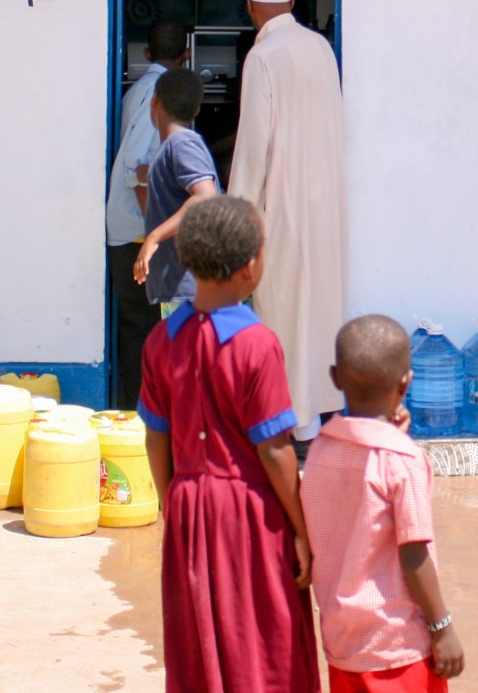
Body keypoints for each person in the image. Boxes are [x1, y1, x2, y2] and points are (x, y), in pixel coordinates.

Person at [139, 194, 318, 693]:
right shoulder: (258, 344)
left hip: (189, 505)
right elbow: (275, 448)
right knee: (265, 636)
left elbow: (156, 434)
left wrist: (171, 499)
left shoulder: (161, 340)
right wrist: (303, 530)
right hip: (250, 511)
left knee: (199, 637)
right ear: (251, 265)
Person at [302, 315, 466, 692]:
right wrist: (442, 627)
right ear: (406, 383)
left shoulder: (319, 451)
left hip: (343, 644)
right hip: (400, 648)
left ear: (335, 378)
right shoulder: (403, 460)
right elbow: (414, 555)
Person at [229, 0, 347, 442]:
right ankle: (315, 417)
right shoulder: (321, 48)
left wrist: (237, 215)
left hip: (281, 204)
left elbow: (254, 145)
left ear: (251, 7)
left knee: (281, 310)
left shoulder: (262, 56)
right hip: (325, 204)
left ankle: (289, 422)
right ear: (293, 2)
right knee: (317, 308)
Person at [107, 21, 188, 411]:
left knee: (139, 326)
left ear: (146, 54)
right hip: (139, 235)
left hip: (132, 231)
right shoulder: (159, 96)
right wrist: (155, 234)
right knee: (147, 328)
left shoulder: (136, 90)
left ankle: (138, 412)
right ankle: (144, 414)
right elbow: (137, 169)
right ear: (186, 55)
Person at [132, 67, 219, 342]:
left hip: (189, 290)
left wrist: (154, 237)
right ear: (196, 110)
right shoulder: (174, 147)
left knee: (189, 374)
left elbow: (205, 195)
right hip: (181, 289)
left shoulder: (181, 144)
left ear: (154, 101)